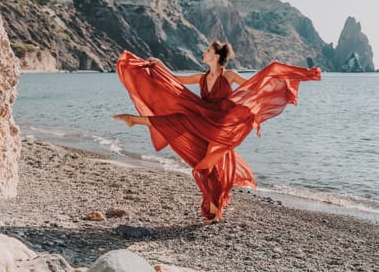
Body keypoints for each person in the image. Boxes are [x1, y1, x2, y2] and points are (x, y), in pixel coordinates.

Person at [113, 41, 321, 224]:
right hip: (203, 119)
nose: (204, 53)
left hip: (219, 124)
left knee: (182, 123)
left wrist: (280, 82)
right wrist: (158, 64)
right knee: (205, 164)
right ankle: (215, 207)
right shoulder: (201, 77)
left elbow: (254, 87)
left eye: (207, 50)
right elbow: (175, 80)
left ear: (216, 56)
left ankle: (135, 120)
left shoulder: (229, 75)